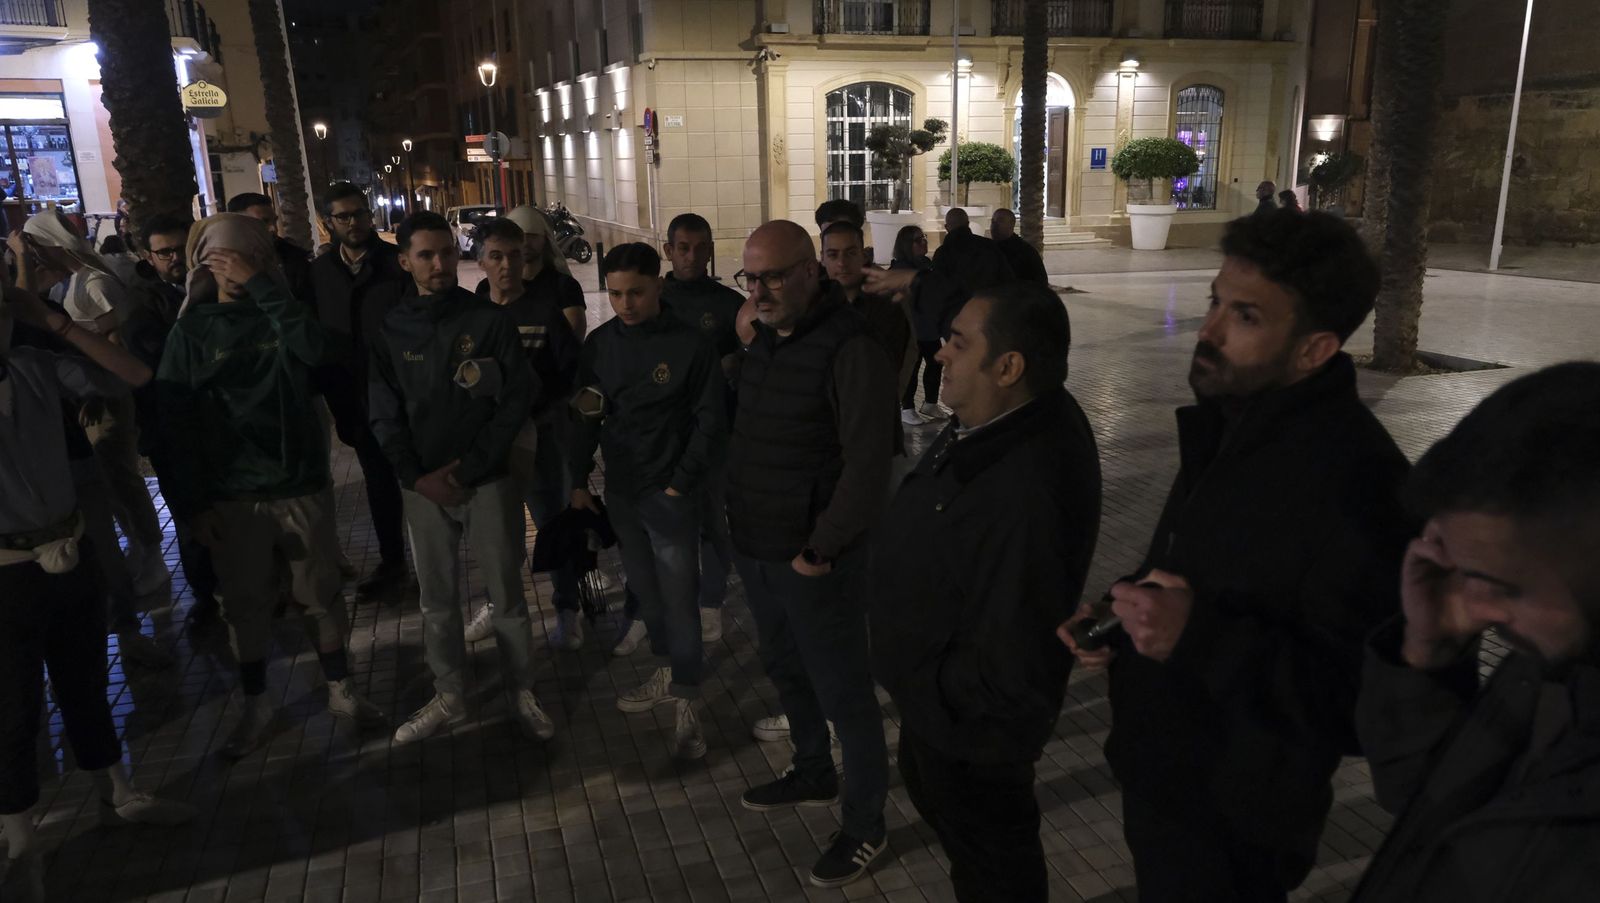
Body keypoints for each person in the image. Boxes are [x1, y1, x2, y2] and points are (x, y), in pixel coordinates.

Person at [1057, 208, 1415, 902]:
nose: (1209, 330)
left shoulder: (1359, 483)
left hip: (1238, 820)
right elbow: (1203, 574)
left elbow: (1364, 704)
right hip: (1168, 782)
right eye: (1214, 301)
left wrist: (1196, 636)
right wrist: (1125, 611)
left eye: (1245, 315)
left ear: (1315, 349)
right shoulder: (1235, 420)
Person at [873, 282, 1101, 902]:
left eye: (957, 342)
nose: (940, 354)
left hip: (971, 735)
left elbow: (1014, 645)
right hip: (944, 716)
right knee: (976, 860)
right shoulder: (999, 420)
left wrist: (930, 686)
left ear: (1008, 366)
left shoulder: (1029, 484)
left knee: (996, 874)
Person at [1349, 362, 1600, 903]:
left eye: (1501, 584)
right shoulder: (1553, 666)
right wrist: (1428, 653)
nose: (1478, 608)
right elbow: (1430, 810)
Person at [156, 214, 386, 758]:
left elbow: (315, 351)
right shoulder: (191, 333)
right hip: (234, 495)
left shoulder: (286, 316)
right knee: (245, 605)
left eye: (245, 256)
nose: (232, 267)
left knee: (321, 595)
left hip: (299, 482)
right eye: (220, 257)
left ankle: (340, 689)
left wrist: (263, 287)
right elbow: (173, 426)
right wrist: (193, 505)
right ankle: (257, 703)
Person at [0, 283, 195, 901]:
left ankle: (118, 795)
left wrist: (51, 321)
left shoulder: (31, 362)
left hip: (68, 549)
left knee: (83, 683)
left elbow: (132, 375)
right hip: (3, 569)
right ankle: (19, 839)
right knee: (12, 708)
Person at [727, 220, 897, 888]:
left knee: (844, 692)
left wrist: (821, 548)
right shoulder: (767, 339)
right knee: (785, 666)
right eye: (749, 277)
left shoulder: (850, 348)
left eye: (770, 276)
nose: (758, 291)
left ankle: (866, 822)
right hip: (759, 546)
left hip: (812, 558)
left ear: (810, 271)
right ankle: (811, 769)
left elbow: (867, 465)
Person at [366, 211, 554, 745]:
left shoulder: (487, 321)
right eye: (425, 255)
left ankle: (522, 689)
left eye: (447, 252)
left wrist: (470, 467)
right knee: (438, 600)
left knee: (507, 595)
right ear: (404, 261)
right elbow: (384, 411)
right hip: (423, 486)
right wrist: (415, 476)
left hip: (487, 479)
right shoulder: (392, 328)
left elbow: (517, 397)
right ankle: (449, 694)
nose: (439, 263)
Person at [568, 242, 726, 760]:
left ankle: (687, 700)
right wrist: (576, 479)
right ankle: (666, 668)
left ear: (657, 285)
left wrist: (681, 482)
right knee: (646, 593)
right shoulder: (599, 346)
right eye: (614, 293)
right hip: (622, 492)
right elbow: (587, 415)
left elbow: (711, 420)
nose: (626, 303)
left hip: (670, 494)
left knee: (681, 600)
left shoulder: (689, 344)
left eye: (636, 292)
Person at [17, 210, 168, 596]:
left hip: (106, 395)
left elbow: (117, 340)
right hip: (90, 392)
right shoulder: (72, 282)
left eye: (34, 246)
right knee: (111, 479)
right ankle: (140, 548)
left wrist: (98, 393)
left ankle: (153, 555)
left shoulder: (94, 282)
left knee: (122, 478)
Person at [470, 216, 582, 649]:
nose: (506, 265)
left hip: (540, 441)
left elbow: (572, 375)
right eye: (496, 257)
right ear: (480, 262)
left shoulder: (544, 313)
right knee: (497, 532)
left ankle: (567, 609)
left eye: (514, 256)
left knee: (552, 525)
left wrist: (551, 419)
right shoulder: (474, 315)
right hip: (489, 446)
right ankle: (497, 605)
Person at [307, 182, 410, 598]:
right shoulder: (319, 273)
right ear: (328, 222)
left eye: (359, 214)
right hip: (353, 398)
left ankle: (432, 562)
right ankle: (394, 563)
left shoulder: (395, 264)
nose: (354, 223)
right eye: (343, 217)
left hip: (402, 393)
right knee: (378, 483)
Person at [122, 214, 223, 634]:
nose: (175, 259)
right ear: (149, 256)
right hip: (171, 431)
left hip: (221, 424)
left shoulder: (218, 289)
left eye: (181, 249)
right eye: (164, 252)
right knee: (189, 518)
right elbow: (157, 368)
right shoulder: (143, 304)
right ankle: (205, 599)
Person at [658, 212, 743, 647]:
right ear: (668, 250)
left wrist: (729, 367)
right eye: (683, 248)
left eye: (701, 247)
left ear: (711, 250)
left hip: (714, 434)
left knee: (713, 522)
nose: (692, 256)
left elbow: (745, 362)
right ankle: (659, 606)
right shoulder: (653, 299)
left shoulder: (729, 304)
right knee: (667, 525)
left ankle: (711, 601)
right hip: (661, 436)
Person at [473, 206, 588, 342]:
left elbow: (573, 337)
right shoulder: (485, 288)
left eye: (532, 236)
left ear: (545, 238)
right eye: (521, 236)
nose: (526, 242)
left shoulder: (563, 286)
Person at [225, 192, 313, 302]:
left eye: (274, 221)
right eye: (264, 222)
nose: (273, 228)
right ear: (239, 224)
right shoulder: (223, 264)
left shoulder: (295, 259)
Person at [932, 207, 1014, 296]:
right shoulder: (989, 245)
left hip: (958, 306)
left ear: (947, 227)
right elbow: (1007, 278)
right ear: (968, 224)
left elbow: (938, 287)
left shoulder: (942, 253)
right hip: (988, 303)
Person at [988, 208, 1049, 286]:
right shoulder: (988, 248)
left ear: (1012, 224)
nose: (994, 225)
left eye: (1000, 221)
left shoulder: (1024, 252)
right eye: (993, 221)